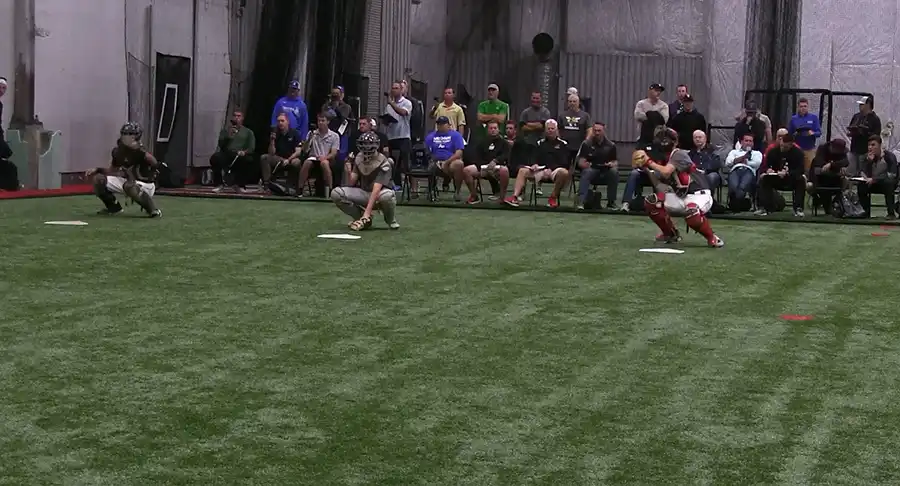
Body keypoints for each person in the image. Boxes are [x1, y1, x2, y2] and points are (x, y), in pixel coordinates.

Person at [635, 127, 724, 247]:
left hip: (698, 195)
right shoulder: (661, 160)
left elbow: (667, 172)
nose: (663, 142)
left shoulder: (679, 154)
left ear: (675, 142)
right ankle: (670, 233)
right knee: (651, 202)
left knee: (692, 212)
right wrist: (645, 168)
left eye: (666, 139)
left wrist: (648, 162)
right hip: (680, 195)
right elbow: (659, 186)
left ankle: (712, 237)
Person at [85, 122, 162, 218]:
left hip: (145, 184)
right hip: (127, 181)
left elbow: (156, 166)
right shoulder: (118, 152)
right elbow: (112, 170)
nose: (126, 136)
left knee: (129, 186)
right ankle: (114, 208)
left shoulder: (142, 153)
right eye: (124, 134)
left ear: (136, 137)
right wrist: (97, 169)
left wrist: (149, 178)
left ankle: (153, 210)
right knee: (99, 179)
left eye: (129, 134)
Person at [331, 131, 399, 230]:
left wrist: (367, 212)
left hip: (379, 194)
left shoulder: (384, 162)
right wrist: (348, 169)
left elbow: (376, 189)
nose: (366, 147)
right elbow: (351, 183)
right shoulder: (359, 157)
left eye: (369, 144)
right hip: (364, 192)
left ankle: (390, 219)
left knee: (387, 196)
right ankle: (360, 217)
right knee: (336, 193)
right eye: (364, 144)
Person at [209, 108, 255, 193]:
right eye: (235, 116)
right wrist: (229, 136)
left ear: (242, 118)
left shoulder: (248, 132)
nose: (236, 118)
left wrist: (244, 152)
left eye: (239, 116)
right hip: (227, 153)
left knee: (247, 160)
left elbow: (251, 148)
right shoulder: (226, 130)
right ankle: (219, 184)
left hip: (240, 154)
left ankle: (239, 185)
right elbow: (221, 145)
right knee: (215, 158)